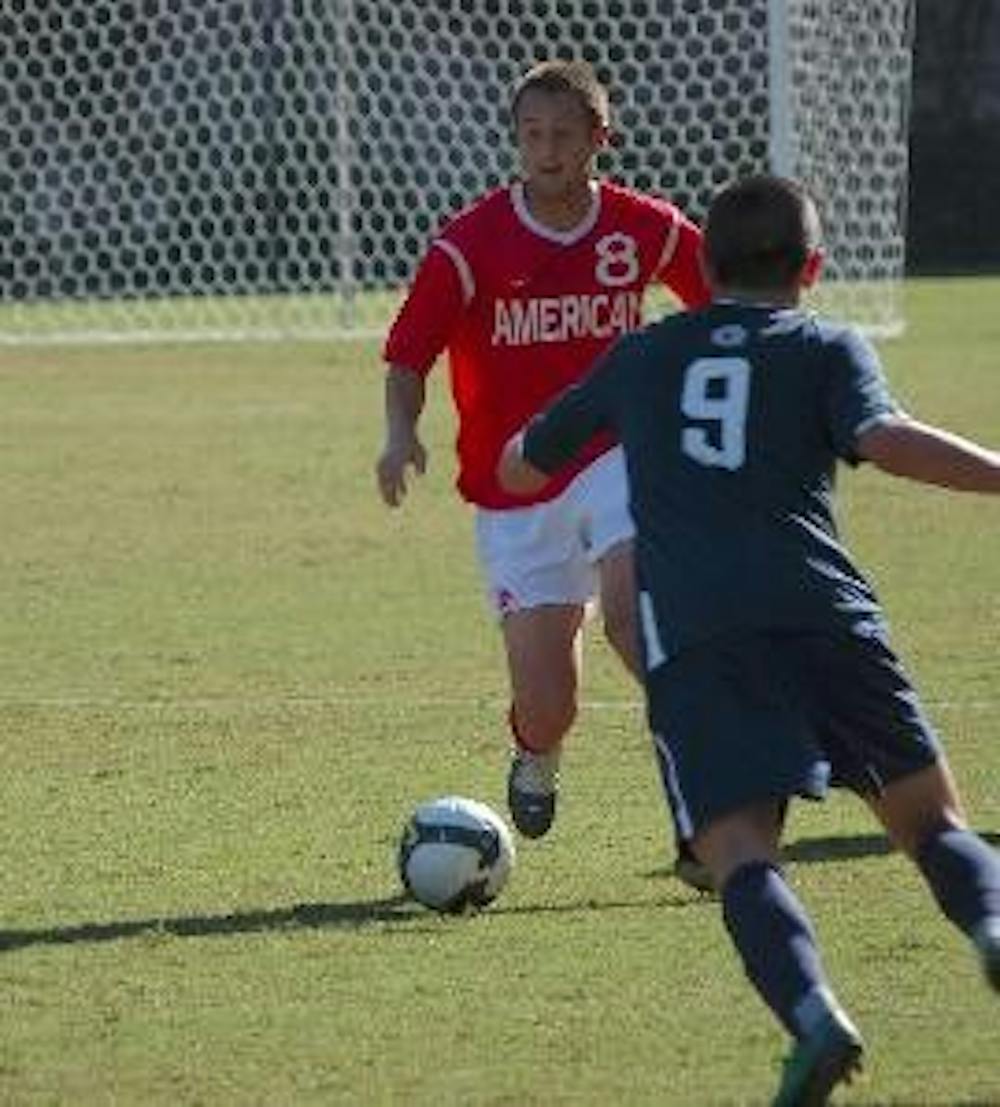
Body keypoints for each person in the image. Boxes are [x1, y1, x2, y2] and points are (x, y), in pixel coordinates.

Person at [498, 175, 1000, 1105]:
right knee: (931, 826)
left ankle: (814, 1015)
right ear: (812, 267)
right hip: (828, 619)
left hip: (699, 638)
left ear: (702, 265)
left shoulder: (642, 354)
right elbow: (883, 438)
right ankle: (994, 929)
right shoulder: (825, 346)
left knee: (741, 855)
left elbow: (522, 457)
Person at [376, 58, 711, 883]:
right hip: (514, 488)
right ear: (516, 141)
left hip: (613, 456)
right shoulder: (470, 242)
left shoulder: (643, 226)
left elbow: (731, 291)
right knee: (547, 699)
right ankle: (536, 752)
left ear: (601, 138)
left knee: (639, 624)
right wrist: (398, 433)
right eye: (532, 135)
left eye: (564, 134)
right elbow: (409, 353)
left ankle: (707, 810)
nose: (547, 149)